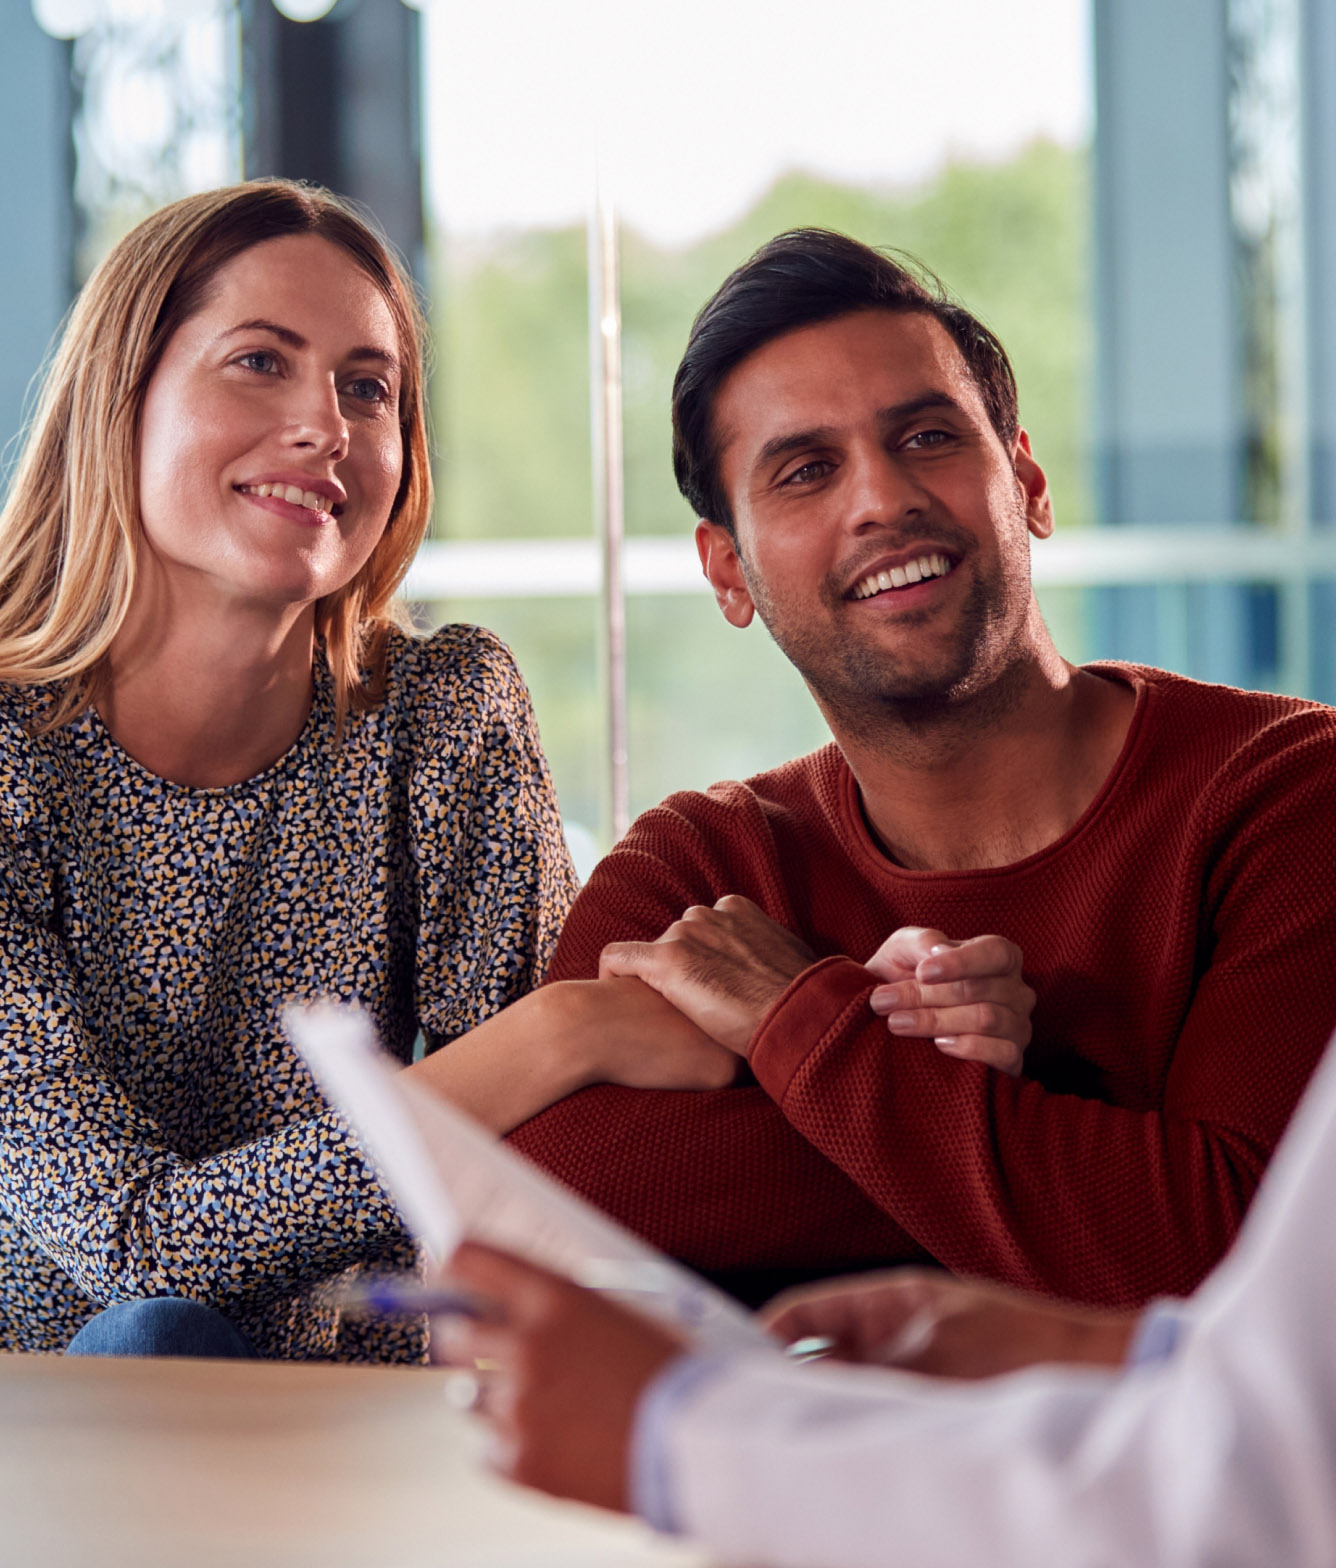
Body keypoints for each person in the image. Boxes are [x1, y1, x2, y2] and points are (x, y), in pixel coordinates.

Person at [503, 227, 1336, 1311]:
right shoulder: (702, 870)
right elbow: (557, 1188)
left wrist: (797, 1017)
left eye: (928, 436)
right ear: (728, 570)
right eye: (805, 470)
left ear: (1026, 481)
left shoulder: (1287, 792)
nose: (881, 499)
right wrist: (1064, 1127)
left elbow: (1235, 1253)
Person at [0, 180, 745, 1363]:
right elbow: (133, 1244)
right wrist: (553, 1036)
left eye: (367, 386)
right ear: (120, 399)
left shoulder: (446, 711)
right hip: (76, 1441)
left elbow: (523, 1179)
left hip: (392, 1416)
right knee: (156, 1330)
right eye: (259, 361)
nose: (326, 425)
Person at [443, 1025, 1336, 1567]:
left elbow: (1243, 1500)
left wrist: (678, 1429)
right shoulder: (696, 849)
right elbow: (577, 1163)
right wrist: (1116, 1352)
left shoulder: (1285, 795)